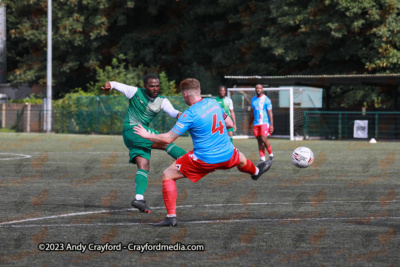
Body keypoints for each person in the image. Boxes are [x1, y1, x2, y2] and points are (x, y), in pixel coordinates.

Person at [134, 78, 272, 226]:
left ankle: (171, 217)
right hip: (227, 154)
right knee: (240, 157)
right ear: (199, 91)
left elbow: (168, 138)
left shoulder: (189, 114)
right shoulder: (213, 103)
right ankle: (256, 171)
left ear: (185, 94)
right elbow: (230, 123)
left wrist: (147, 134)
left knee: (167, 175)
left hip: (204, 159)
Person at [102, 74, 187, 214]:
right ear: (145, 86)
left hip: (141, 135)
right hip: (133, 130)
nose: (155, 88)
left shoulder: (162, 101)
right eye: (152, 86)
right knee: (165, 142)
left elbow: (173, 112)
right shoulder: (135, 92)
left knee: (144, 166)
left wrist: (182, 115)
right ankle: (190, 159)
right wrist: (109, 85)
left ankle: (138, 199)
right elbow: (116, 84)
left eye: (157, 86)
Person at [249, 84, 274, 162]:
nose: (258, 89)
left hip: (264, 122)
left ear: (262, 89)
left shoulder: (266, 99)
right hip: (256, 124)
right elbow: (252, 113)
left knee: (263, 138)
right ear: (255, 89)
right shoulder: (253, 99)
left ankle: (271, 155)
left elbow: (270, 113)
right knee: (259, 140)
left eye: (260, 88)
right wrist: (250, 123)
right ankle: (262, 158)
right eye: (256, 88)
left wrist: (272, 125)